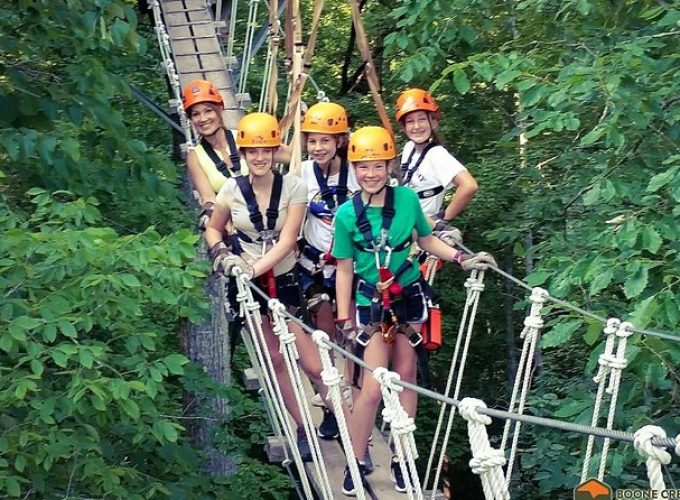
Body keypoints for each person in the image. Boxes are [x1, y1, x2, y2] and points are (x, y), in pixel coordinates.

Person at [332, 126, 495, 495]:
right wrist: (343, 317)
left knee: (407, 379)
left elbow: (425, 240)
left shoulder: (407, 201)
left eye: (377, 166)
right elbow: (343, 267)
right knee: (371, 388)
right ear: (354, 169)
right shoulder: (346, 215)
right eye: (362, 167)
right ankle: (356, 460)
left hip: (407, 296)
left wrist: (460, 258)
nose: (370, 173)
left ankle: (403, 459)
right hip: (370, 303)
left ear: (390, 165)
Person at [204, 112, 334, 461]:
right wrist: (221, 254)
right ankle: (303, 427)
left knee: (309, 360)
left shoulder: (294, 187)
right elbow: (214, 228)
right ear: (243, 154)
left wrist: (250, 268)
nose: (259, 158)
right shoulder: (232, 189)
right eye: (252, 151)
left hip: (284, 281)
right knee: (275, 360)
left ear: (275, 151)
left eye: (265, 150)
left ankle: (341, 417)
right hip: (249, 287)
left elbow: (288, 240)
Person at [182, 79, 291, 230]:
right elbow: (209, 198)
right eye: (196, 114)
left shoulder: (245, 136)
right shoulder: (195, 156)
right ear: (191, 119)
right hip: (234, 225)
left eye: (208, 111)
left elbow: (291, 157)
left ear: (220, 109)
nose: (203, 119)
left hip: (272, 216)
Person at [395, 88, 478, 230]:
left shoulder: (437, 155)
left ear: (433, 122)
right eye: (410, 121)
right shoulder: (409, 148)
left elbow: (469, 186)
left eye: (422, 119)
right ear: (404, 127)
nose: (416, 126)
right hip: (404, 222)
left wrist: (442, 220)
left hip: (423, 228)